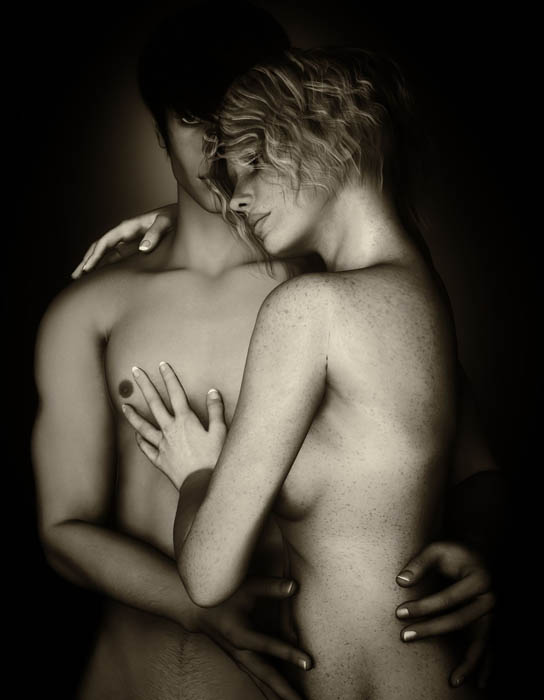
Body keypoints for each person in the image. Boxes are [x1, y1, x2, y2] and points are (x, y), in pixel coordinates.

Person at [119, 47, 500, 699]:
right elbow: (479, 476)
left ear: (331, 137)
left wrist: (197, 473)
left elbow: (207, 576)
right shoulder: (419, 299)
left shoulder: (308, 311)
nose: (238, 199)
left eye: (253, 163)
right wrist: (170, 222)